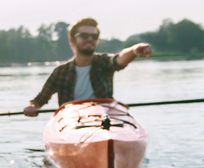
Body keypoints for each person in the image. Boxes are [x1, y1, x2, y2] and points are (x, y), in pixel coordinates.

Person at [23, 17, 153, 117]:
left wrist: (135, 50)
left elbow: (119, 59)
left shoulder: (104, 62)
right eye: (84, 36)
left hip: (104, 117)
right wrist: (31, 107)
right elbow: (39, 100)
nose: (90, 39)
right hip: (71, 120)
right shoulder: (60, 72)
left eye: (94, 36)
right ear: (73, 40)